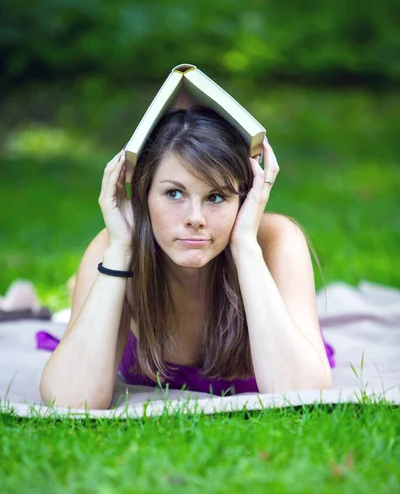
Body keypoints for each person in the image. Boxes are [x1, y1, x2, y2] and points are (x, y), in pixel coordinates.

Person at [39, 105, 334, 410]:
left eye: (216, 197)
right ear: (142, 195)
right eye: (174, 194)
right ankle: (77, 291)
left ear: (244, 201)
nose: (195, 218)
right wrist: (120, 252)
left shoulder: (275, 241)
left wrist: (245, 246)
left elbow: (303, 392)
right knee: (89, 296)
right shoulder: (113, 247)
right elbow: (71, 399)